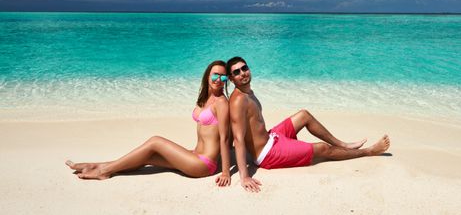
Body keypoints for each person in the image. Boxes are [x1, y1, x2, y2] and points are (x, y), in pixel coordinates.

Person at [227, 56, 390, 192]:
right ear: (231, 78)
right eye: (237, 72)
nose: (243, 73)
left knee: (304, 115)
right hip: (268, 154)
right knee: (322, 149)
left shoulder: (247, 92)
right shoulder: (238, 101)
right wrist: (245, 176)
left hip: (271, 137)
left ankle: (343, 144)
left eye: (244, 68)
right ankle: (368, 152)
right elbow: (238, 138)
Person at [65, 60, 232, 187]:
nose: (218, 79)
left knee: (155, 141)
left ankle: (103, 171)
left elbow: (225, 139)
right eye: (215, 75)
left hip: (204, 164)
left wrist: (226, 172)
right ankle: (99, 165)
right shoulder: (206, 98)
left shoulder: (221, 103)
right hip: (194, 154)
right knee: (148, 156)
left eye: (223, 76)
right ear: (207, 75)